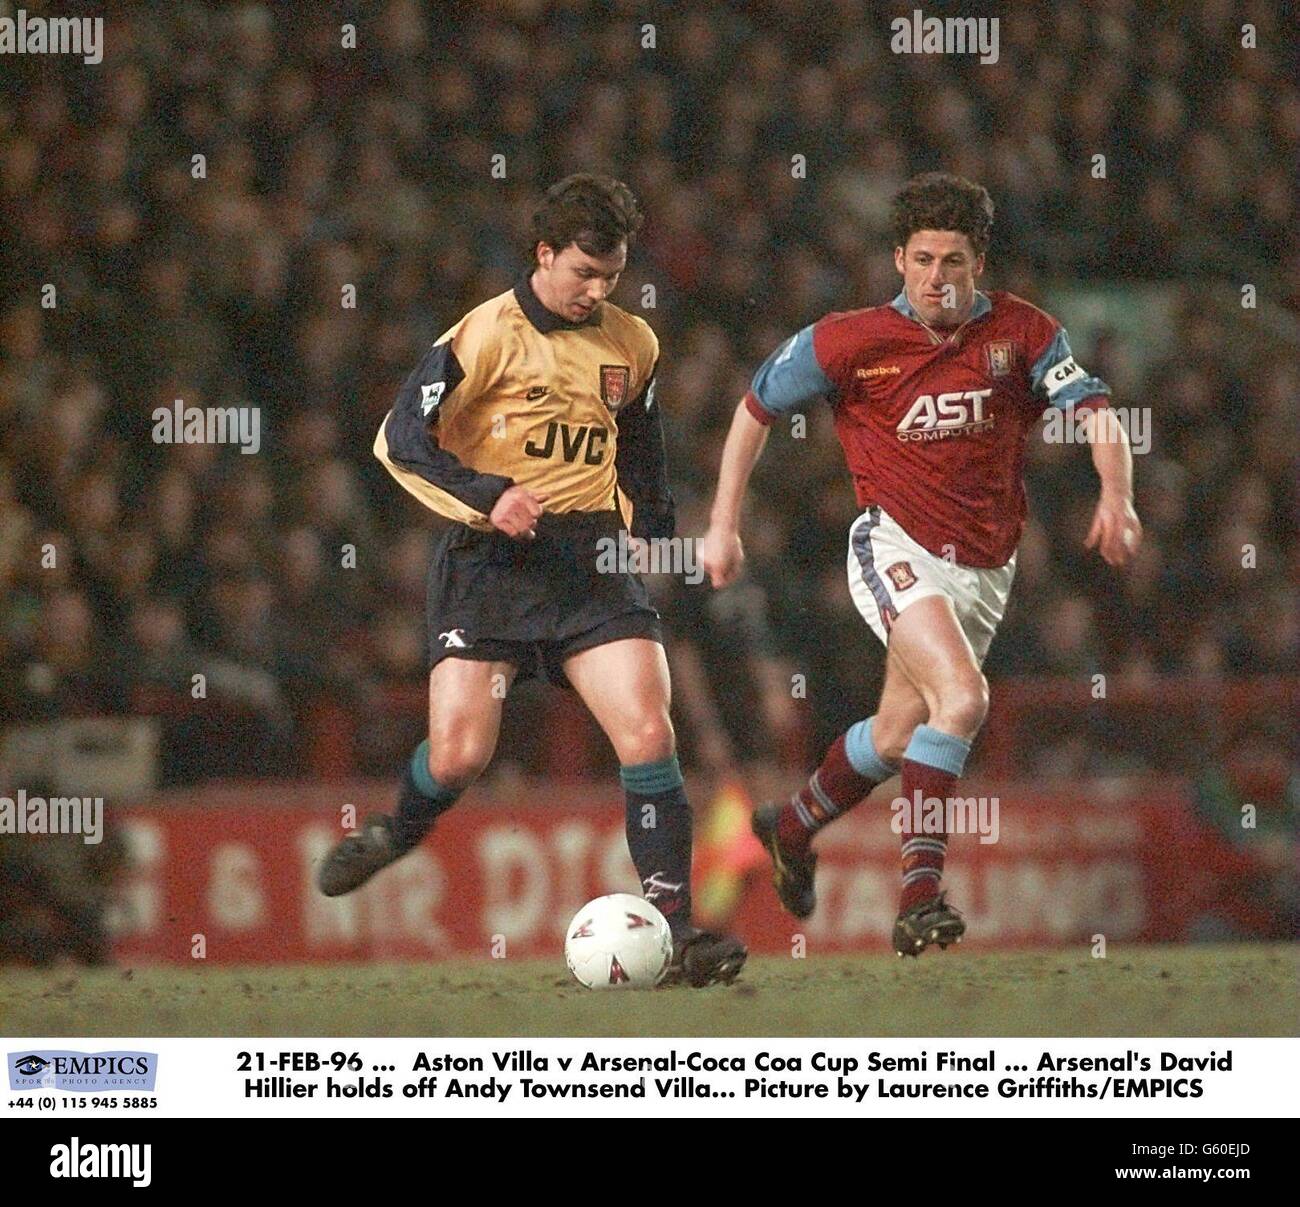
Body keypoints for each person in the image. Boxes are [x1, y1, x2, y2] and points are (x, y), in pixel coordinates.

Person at [316, 174, 746, 987]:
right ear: (543, 254)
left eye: (611, 276)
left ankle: (680, 928)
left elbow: (641, 446)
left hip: (591, 563)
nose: (596, 291)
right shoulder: (483, 335)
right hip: (490, 565)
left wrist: (654, 531)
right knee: (460, 754)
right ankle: (396, 831)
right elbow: (400, 439)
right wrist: (488, 496)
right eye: (583, 272)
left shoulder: (634, 344)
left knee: (651, 736)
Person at [699, 172, 1142, 956]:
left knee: (902, 730)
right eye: (924, 259)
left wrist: (1117, 494)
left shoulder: (1025, 334)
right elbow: (754, 407)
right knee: (963, 702)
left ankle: (792, 826)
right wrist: (722, 523)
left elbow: (1097, 412)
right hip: (893, 547)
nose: (938, 277)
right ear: (899, 259)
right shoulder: (849, 340)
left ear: (980, 265)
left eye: (955, 262)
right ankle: (919, 897)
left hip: (986, 567)